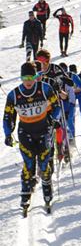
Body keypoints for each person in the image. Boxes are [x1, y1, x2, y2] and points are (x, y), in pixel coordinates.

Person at [4, 61, 60, 215]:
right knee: (28, 165)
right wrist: (8, 133)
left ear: (36, 77)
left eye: (31, 77)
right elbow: (8, 116)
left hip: (43, 130)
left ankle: (47, 189)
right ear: (21, 78)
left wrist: (54, 120)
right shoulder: (14, 95)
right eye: (25, 78)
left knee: (43, 164)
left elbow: (56, 107)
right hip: (25, 133)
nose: (28, 81)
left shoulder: (45, 89)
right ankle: (25, 193)